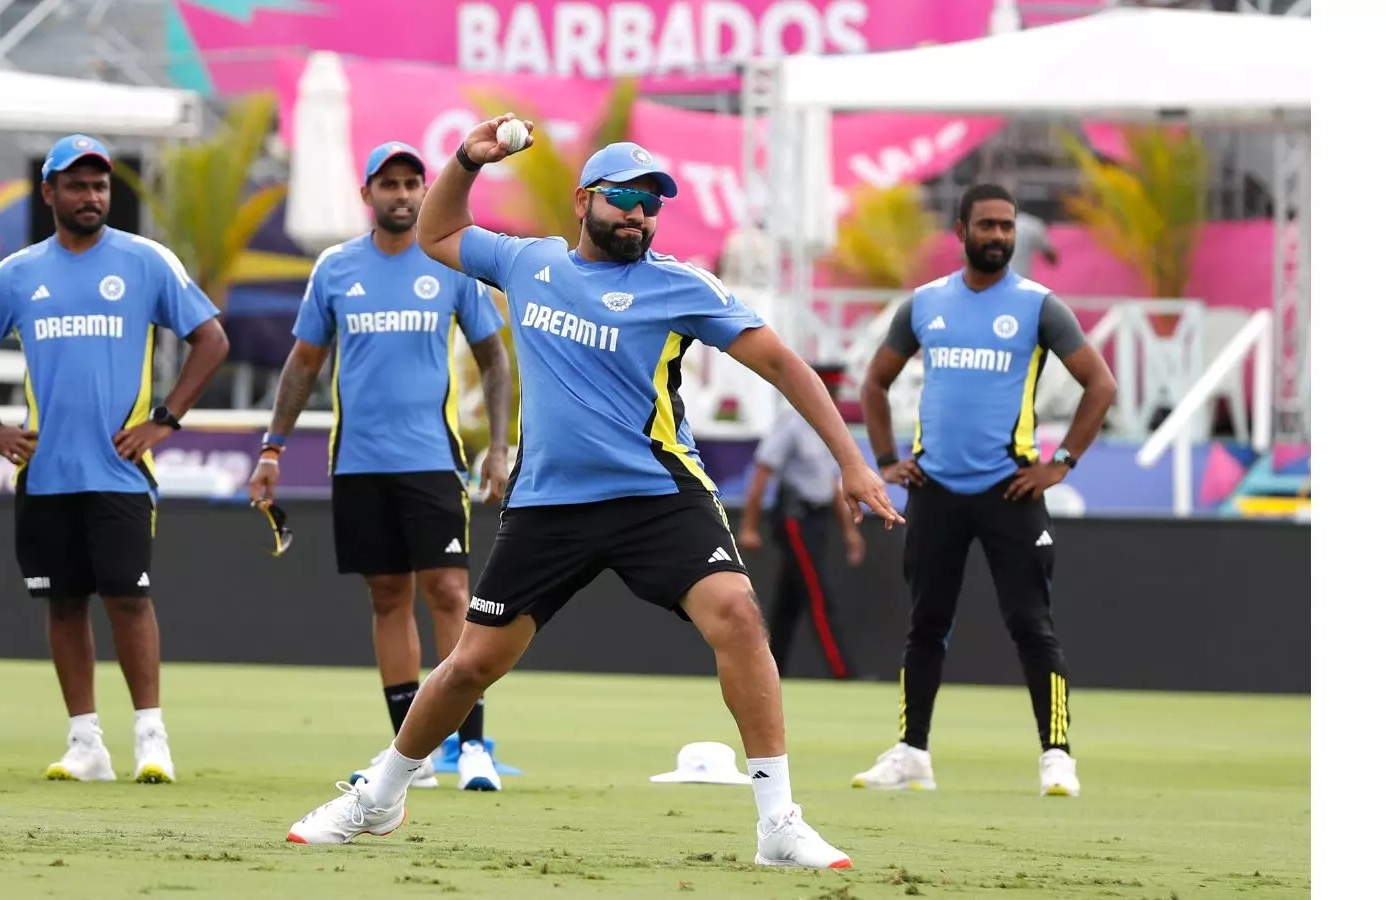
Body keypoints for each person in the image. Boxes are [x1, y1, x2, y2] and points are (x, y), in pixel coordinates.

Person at [283, 116, 903, 870]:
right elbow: (438, 233)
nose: (639, 214)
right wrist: (468, 159)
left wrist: (852, 461)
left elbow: (781, 364)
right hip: (550, 504)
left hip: (657, 494)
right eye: (624, 198)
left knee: (739, 615)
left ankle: (778, 821)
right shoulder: (529, 263)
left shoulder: (680, 285)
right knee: (473, 664)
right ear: (584, 201)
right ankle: (379, 797)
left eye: (652, 203)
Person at [0, 134, 229, 783]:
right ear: (48, 193)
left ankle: (151, 738)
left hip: (119, 473)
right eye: (76, 185)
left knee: (129, 599)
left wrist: (165, 419)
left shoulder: (145, 261)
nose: (91, 196)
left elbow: (211, 339)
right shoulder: (17, 273)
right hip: (45, 472)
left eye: (100, 185)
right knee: (62, 604)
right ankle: (86, 745)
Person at [247, 141, 513, 792]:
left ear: (425, 191)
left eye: (411, 183)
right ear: (366, 194)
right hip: (359, 464)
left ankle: (471, 747)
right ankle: (409, 755)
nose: (402, 194)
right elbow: (303, 364)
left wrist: (500, 447)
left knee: (449, 593)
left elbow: (494, 359)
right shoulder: (336, 268)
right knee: (388, 597)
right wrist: (272, 448)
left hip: (432, 462)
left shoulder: (448, 262)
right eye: (388, 184)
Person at [851, 183, 1116, 798]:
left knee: (1032, 626)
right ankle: (912, 753)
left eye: (1007, 226)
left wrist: (1060, 464)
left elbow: (1099, 385)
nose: (999, 236)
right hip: (935, 492)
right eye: (987, 225)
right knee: (926, 626)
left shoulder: (1038, 306)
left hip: (1011, 492)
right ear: (961, 230)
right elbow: (873, 383)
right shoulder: (924, 305)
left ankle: (1057, 756)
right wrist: (887, 461)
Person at [737, 362, 865, 680]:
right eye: (828, 390)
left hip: (818, 520)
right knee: (818, 595)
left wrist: (849, 531)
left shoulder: (828, 427)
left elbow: (833, 483)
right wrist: (749, 526)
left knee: (788, 604)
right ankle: (843, 672)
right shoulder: (791, 425)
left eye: (834, 392)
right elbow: (761, 474)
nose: (833, 397)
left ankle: (769, 671)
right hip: (795, 520)